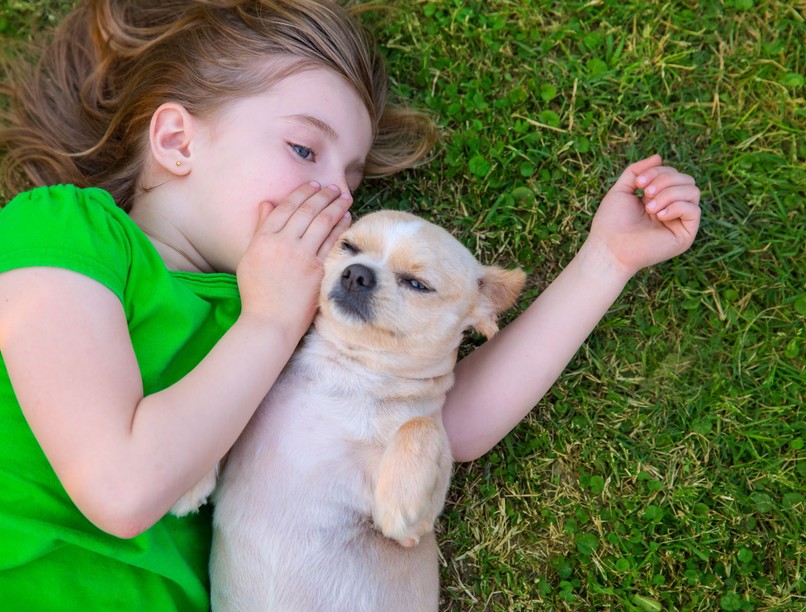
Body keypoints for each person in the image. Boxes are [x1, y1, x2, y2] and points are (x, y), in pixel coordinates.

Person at [0, 0, 701, 608]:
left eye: (351, 180)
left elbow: (446, 420)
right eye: (305, 149)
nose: (336, 196)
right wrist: (269, 320)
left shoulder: (299, 309)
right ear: (178, 140)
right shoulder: (64, 230)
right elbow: (121, 488)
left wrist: (606, 261)